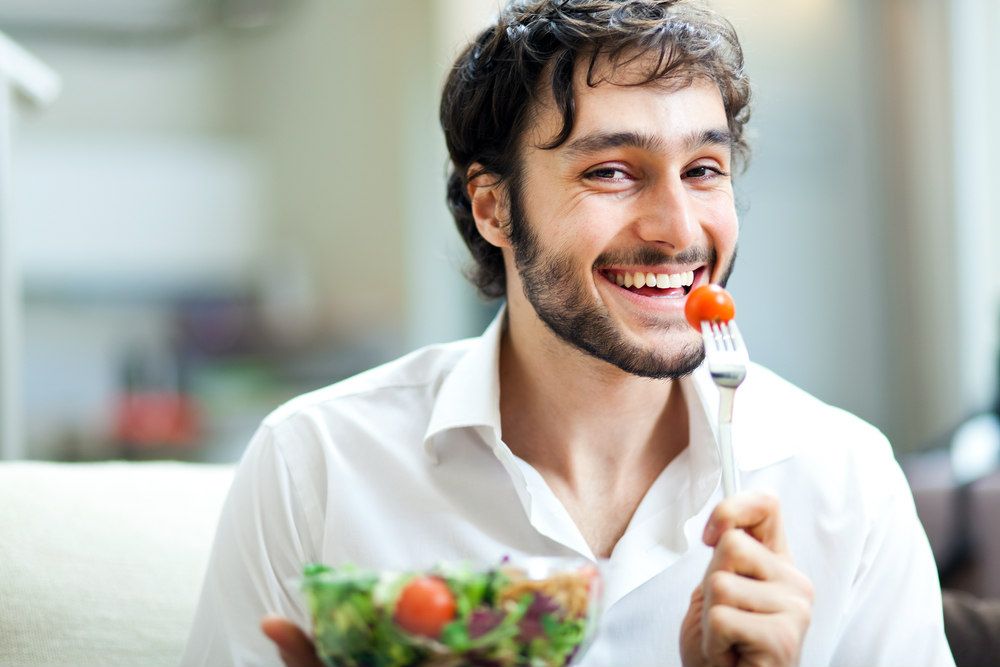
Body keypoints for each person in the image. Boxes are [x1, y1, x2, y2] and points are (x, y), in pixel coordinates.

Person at [181, 1, 956, 665]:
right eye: (611, 171)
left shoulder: (845, 480)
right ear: (493, 208)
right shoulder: (317, 464)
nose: (677, 231)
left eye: (704, 169)